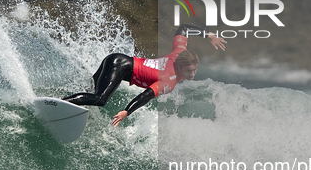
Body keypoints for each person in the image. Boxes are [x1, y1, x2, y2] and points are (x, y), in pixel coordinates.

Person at [63, 24, 226, 127]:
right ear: (179, 66)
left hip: (116, 60)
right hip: (119, 66)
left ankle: (61, 102)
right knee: (100, 99)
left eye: (194, 70)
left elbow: (183, 29)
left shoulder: (180, 52)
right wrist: (127, 111)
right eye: (188, 70)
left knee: (90, 90)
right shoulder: (169, 81)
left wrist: (208, 34)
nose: (192, 74)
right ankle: (61, 103)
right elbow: (146, 95)